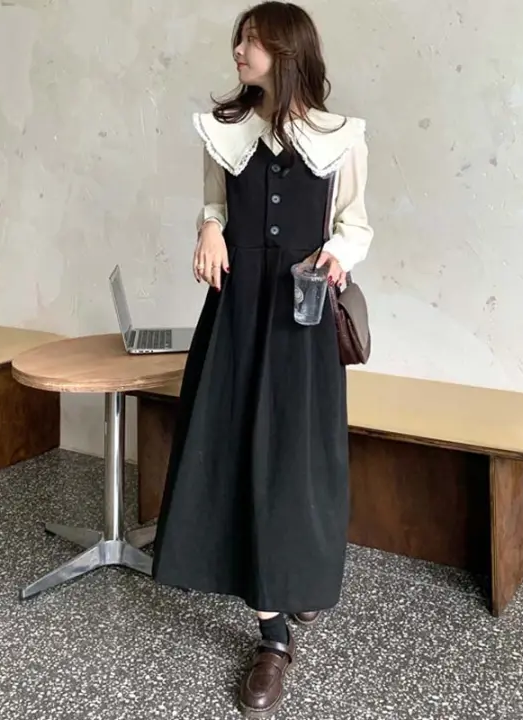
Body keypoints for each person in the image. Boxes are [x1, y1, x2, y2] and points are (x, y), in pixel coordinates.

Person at [151, 1, 373, 716]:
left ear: (289, 51)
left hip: (300, 318)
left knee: (295, 461)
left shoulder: (342, 138)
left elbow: (355, 223)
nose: (240, 51)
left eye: (253, 42)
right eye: (240, 40)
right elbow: (213, 206)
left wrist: (337, 254)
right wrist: (209, 230)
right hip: (237, 312)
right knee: (235, 452)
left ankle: (296, 579)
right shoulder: (223, 131)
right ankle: (273, 637)